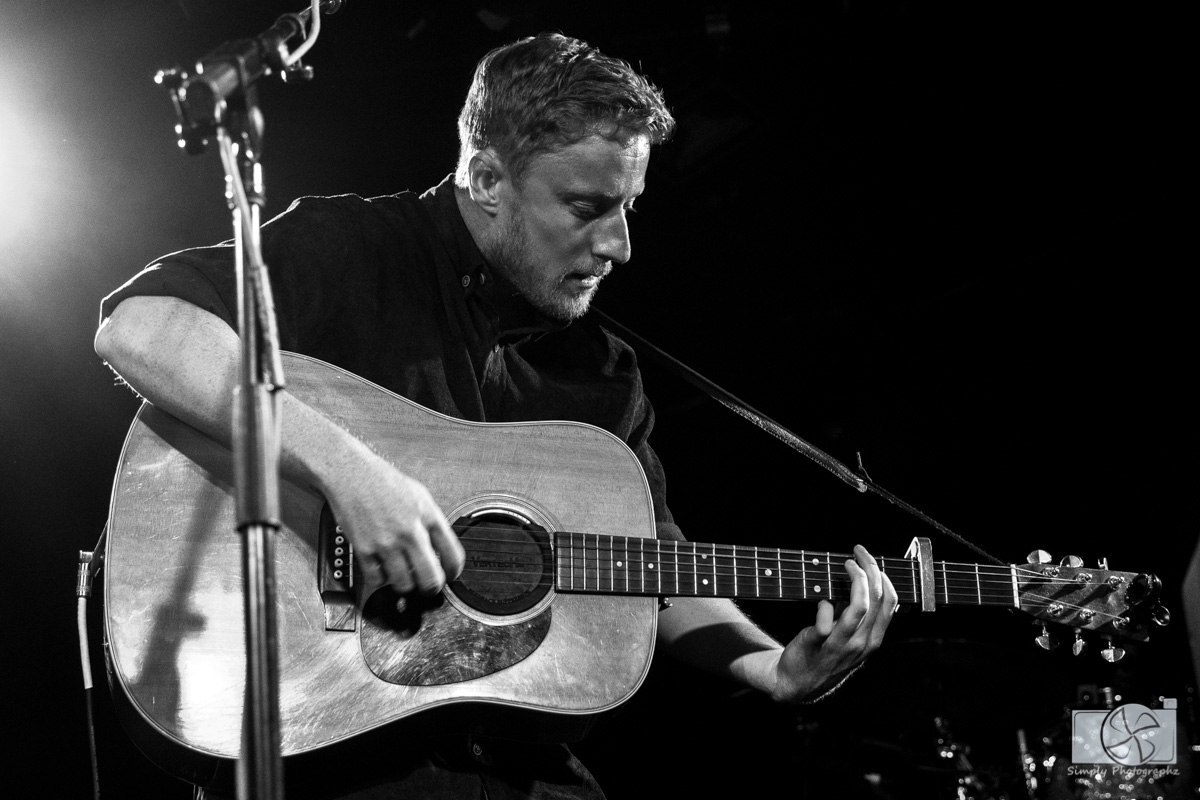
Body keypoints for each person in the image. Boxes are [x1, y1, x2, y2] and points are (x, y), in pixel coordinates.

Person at [95, 32, 897, 799]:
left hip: (523, 772)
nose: (619, 245)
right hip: (336, 758)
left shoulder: (603, 372)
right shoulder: (357, 247)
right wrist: (350, 473)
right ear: (485, 178)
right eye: (586, 206)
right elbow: (139, 328)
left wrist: (772, 670)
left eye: (629, 207)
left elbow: (652, 564)